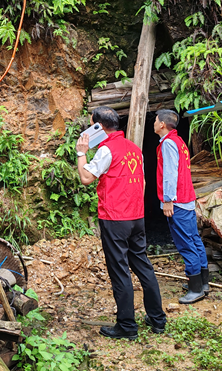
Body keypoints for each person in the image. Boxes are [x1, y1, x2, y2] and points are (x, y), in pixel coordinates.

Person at [76, 106, 166, 340]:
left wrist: (81, 152)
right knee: (143, 266)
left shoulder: (106, 149)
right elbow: (143, 183)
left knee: (119, 271)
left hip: (115, 218)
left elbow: (86, 178)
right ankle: (157, 320)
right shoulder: (134, 149)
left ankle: (127, 326)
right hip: (137, 217)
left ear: (99, 126)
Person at [153, 109, 208, 304]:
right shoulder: (179, 141)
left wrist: (168, 200)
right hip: (187, 199)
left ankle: (195, 289)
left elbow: (170, 173)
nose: (154, 123)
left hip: (177, 201)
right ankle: (203, 282)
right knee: (194, 238)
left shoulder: (168, 143)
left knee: (185, 243)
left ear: (162, 125)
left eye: (156, 120)